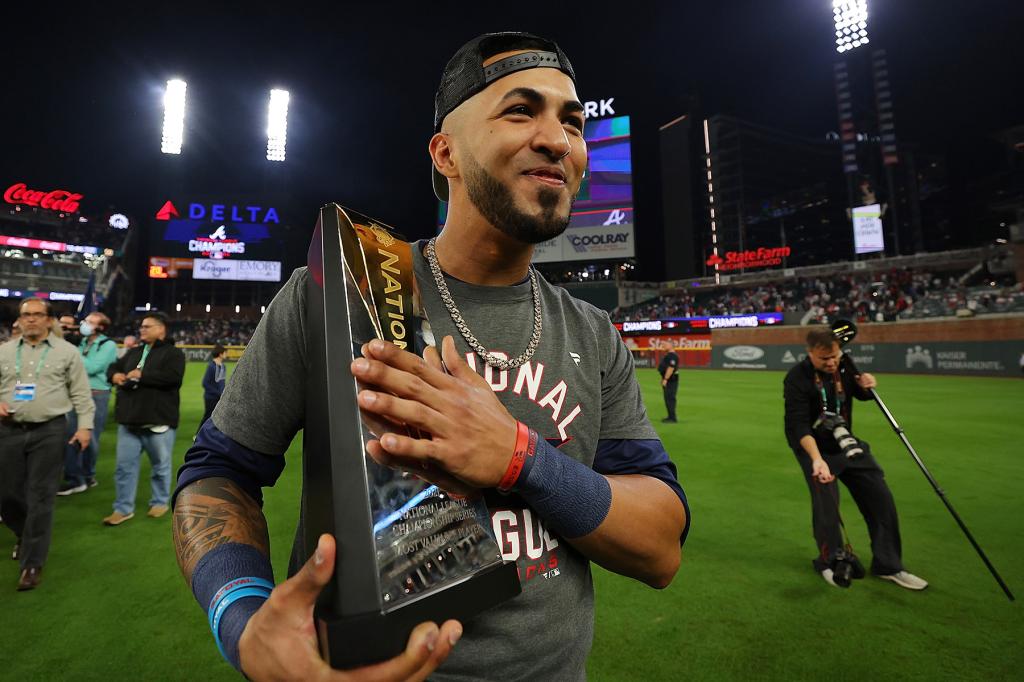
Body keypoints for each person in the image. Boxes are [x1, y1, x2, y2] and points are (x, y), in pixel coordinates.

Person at [172, 32, 690, 680]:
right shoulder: (343, 286)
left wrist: (517, 457)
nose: (558, 140)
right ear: (445, 152)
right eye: (521, 111)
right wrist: (244, 621)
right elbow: (218, 471)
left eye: (573, 122)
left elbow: (662, 548)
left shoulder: (592, 333)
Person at [783, 328, 927, 591]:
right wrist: (816, 460)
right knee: (827, 508)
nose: (831, 362)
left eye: (834, 356)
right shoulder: (796, 378)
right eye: (824, 358)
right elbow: (798, 426)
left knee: (881, 498)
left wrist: (867, 383)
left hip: (846, 442)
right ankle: (830, 563)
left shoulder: (845, 366)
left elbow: (861, 394)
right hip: (815, 449)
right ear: (810, 353)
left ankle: (889, 565)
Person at [0, 298, 94, 590]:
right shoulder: (3, 351)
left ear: (49, 319)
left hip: (50, 430)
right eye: (25, 315)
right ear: (18, 320)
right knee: (8, 494)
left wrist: (85, 426)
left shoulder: (67, 352)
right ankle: (23, 534)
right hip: (9, 430)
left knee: (41, 495)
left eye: (37, 315)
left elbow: (80, 392)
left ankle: (32, 563)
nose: (30, 319)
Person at [103, 312, 185, 526]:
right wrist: (114, 376)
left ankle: (159, 501)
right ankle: (122, 508)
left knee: (161, 466)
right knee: (124, 467)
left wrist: (142, 376)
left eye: (148, 326)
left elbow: (174, 378)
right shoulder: (134, 351)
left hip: (159, 420)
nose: (142, 329)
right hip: (129, 420)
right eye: (141, 326)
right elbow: (113, 367)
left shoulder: (173, 353)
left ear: (161, 329)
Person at [58, 312, 118, 495]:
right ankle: (76, 477)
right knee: (71, 436)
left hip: (97, 394)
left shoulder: (108, 345)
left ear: (101, 327)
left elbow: (93, 367)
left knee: (90, 438)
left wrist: (70, 350)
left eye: (90, 322)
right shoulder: (83, 343)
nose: (84, 324)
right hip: (78, 393)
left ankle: (87, 475)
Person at [198, 344, 227, 434]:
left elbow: (222, 382)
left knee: (219, 417)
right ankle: (198, 434)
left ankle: (214, 435)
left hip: (220, 397)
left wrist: (223, 393)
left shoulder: (223, 366)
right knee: (208, 416)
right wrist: (217, 393)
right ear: (220, 354)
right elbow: (205, 383)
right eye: (225, 352)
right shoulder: (211, 366)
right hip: (211, 397)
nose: (226, 354)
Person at [657, 338, 679, 423]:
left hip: (671, 381)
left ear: (671, 345)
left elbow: (670, 368)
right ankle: (670, 416)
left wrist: (665, 379)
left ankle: (672, 418)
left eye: (665, 345)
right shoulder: (668, 355)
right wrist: (663, 378)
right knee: (667, 399)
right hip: (669, 380)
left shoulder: (672, 356)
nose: (663, 346)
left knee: (670, 398)